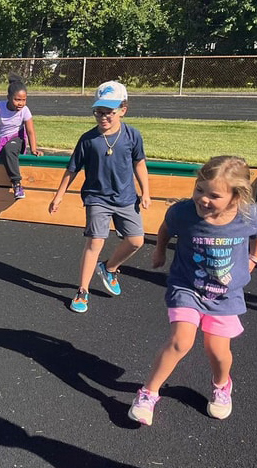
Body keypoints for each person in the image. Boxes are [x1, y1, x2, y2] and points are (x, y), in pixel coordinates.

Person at [128, 156, 257, 426]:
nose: (203, 199)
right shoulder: (183, 213)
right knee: (181, 341)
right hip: (187, 286)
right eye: (199, 190)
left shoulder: (249, 216)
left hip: (225, 294)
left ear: (236, 197)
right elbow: (166, 229)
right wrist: (159, 252)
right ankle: (148, 394)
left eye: (214, 195)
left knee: (217, 349)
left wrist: (255, 257)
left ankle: (221, 385)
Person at [49, 80, 151, 314]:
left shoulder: (132, 136)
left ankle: (110, 267)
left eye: (109, 113)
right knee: (95, 241)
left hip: (126, 197)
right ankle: (83, 290)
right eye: (98, 112)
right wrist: (59, 196)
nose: (103, 117)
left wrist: (146, 191)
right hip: (97, 198)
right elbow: (72, 169)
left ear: (123, 110)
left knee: (136, 241)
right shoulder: (88, 139)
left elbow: (139, 163)